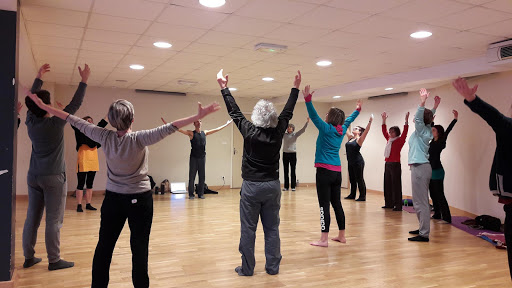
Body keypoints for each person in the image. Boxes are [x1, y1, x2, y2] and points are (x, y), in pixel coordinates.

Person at [25, 89, 220, 287]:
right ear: (132, 118)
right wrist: (197, 116)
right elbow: (171, 127)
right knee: (139, 249)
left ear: (110, 121)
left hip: (113, 200)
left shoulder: (104, 136)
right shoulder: (140, 138)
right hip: (140, 201)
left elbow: (72, 119)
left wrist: (43, 107)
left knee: (104, 247)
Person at [217, 69, 300, 276]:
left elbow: (234, 112)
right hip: (272, 186)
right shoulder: (279, 130)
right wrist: (295, 88)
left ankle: (247, 268)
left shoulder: (249, 130)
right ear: (272, 117)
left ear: (255, 117)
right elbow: (288, 111)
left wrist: (224, 88)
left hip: (251, 188)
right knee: (272, 229)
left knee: (249, 229)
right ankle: (272, 268)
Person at [22, 63, 90, 271]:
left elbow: (32, 103)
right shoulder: (56, 123)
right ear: (46, 106)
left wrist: (38, 78)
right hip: (54, 178)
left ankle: (29, 257)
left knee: (32, 217)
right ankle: (54, 260)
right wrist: (84, 81)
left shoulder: (30, 121)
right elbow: (74, 104)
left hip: (34, 176)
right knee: (53, 220)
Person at [452, 77, 512, 278]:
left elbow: (495, 117)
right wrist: (472, 99)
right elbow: (494, 116)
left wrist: (472, 98)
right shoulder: (508, 127)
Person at [304, 85, 361, 247]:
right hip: (337, 172)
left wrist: (308, 100)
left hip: (324, 172)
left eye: (328, 113)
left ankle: (324, 239)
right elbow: (349, 120)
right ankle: (342, 236)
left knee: (324, 205)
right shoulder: (342, 129)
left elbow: (314, 116)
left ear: (332, 117)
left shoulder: (326, 129)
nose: (326, 115)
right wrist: (357, 110)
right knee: (336, 203)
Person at [161, 117, 232, 199]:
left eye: (199, 121)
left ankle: (200, 194)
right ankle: (191, 194)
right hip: (194, 158)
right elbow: (179, 130)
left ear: (201, 123)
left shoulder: (204, 133)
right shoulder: (191, 133)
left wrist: (226, 124)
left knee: (202, 176)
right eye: (196, 122)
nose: (198, 123)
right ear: (194, 124)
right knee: (192, 177)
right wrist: (169, 125)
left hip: (202, 157)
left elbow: (217, 129)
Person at [408, 88, 440, 242]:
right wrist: (435, 106)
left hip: (420, 167)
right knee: (419, 201)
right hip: (420, 167)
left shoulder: (421, 129)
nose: (415, 117)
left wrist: (423, 101)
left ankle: (424, 233)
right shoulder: (426, 129)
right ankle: (422, 228)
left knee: (421, 202)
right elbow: (427, 117)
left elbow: (422, 117)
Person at [73, 115, 108, 212]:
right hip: (83, 160)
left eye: (91, 121)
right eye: (88, 120)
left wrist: (109, 114)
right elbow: (72, 120)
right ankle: (79, 205)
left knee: (90, 184)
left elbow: (102, 124)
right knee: (80, 184)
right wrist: (64, 109)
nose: (90, 122)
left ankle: (88, 204)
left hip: (93, 161)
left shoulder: (95, 133)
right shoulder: (79, 130)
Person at [429, 110, 458, 223]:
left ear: (438, 132)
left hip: (437, 171)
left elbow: (448, 131)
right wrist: (432, 122)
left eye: (434, 130)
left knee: (439, 194)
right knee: (432, 193)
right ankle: (437, 213)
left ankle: (447, 217)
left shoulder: (441, 141)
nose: (432, 132)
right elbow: (431, 129)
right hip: (430, 171)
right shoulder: (432, 141)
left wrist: (455, 119)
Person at [381, 112, 409, 211]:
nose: (390, 133)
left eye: (393, 132)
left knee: (396, 185)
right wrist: (384, 120)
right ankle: (388, 203)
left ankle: (398, 205)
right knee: (387, 184)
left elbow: (405, 132)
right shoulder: (389, 140)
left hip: (395, 164)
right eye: (390, 131)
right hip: (388, 164)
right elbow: (384, 131)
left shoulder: (400, 140)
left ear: (397, 133)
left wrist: (406, 121)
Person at [344, 115, 373, 201]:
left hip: (358, 162)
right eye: (354, 128)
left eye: (356, 128)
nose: (354, 129)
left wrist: (370, 121)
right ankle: (352, 195)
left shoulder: (359, 140)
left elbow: (366, 131)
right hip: (350, 161)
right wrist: (346, 120)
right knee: (352, 179)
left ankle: (362, 196)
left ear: (360, 132)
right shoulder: (350, 138)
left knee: (359, 178)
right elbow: (346, 128)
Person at [282, 118, 309, 191]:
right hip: (285, 154)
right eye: (288, 127)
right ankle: (286, 187)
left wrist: (307, 123)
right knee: (285, 170)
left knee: (293, 170)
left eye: (290, 127)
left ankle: (293, 187)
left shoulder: (295, 135)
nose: (289, 128)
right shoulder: (284, 135)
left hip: (293, 154)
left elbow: (302, 130)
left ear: (293, 129)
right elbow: (278, 130)